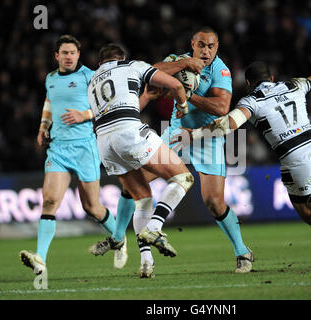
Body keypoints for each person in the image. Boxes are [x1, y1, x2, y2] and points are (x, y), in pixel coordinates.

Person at [173, 50, 311, 267]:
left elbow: (227, 125)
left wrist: (194, 134)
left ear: (248, 83)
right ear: (271, 78)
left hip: (296, 157)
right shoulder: (294, 85)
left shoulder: (251, 101)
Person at [19, 35, 127, 275]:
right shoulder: (51, 78)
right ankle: (41, 260)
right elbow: (49, 102)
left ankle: (119, 239)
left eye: (73, 53)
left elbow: (107, 105)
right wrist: (43, 126)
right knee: (49, 201)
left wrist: (84, 115)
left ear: (79, 55)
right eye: (64, 53)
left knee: (92, 207)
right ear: (56, 56)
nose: (68, 57)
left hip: (85, 147)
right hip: (58, 148)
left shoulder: (90, 76)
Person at [87, 43, 194, 278]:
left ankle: (146, 263)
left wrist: (144, 96)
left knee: (143, 199)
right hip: (129, 133)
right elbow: (175, 84)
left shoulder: (92, 80)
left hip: (105, 143)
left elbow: (119, 106)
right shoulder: (133, 65)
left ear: (100, 63)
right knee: (183, 177)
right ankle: (155, 227)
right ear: (123, 57)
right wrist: (183, 105)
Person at [156, 27, 253, 273]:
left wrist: (187, 94)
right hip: (176, 133)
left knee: (213, 201)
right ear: (193, 44)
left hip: (207, 137)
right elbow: (151, 72)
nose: (206, 50)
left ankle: (242, 251)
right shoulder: (178, 61)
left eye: (211, 46)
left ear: (217, 47)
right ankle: (118, 238)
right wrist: (182, 65)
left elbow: (222, 108)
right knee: (137, 177)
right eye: (201, 45)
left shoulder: (220, 70)